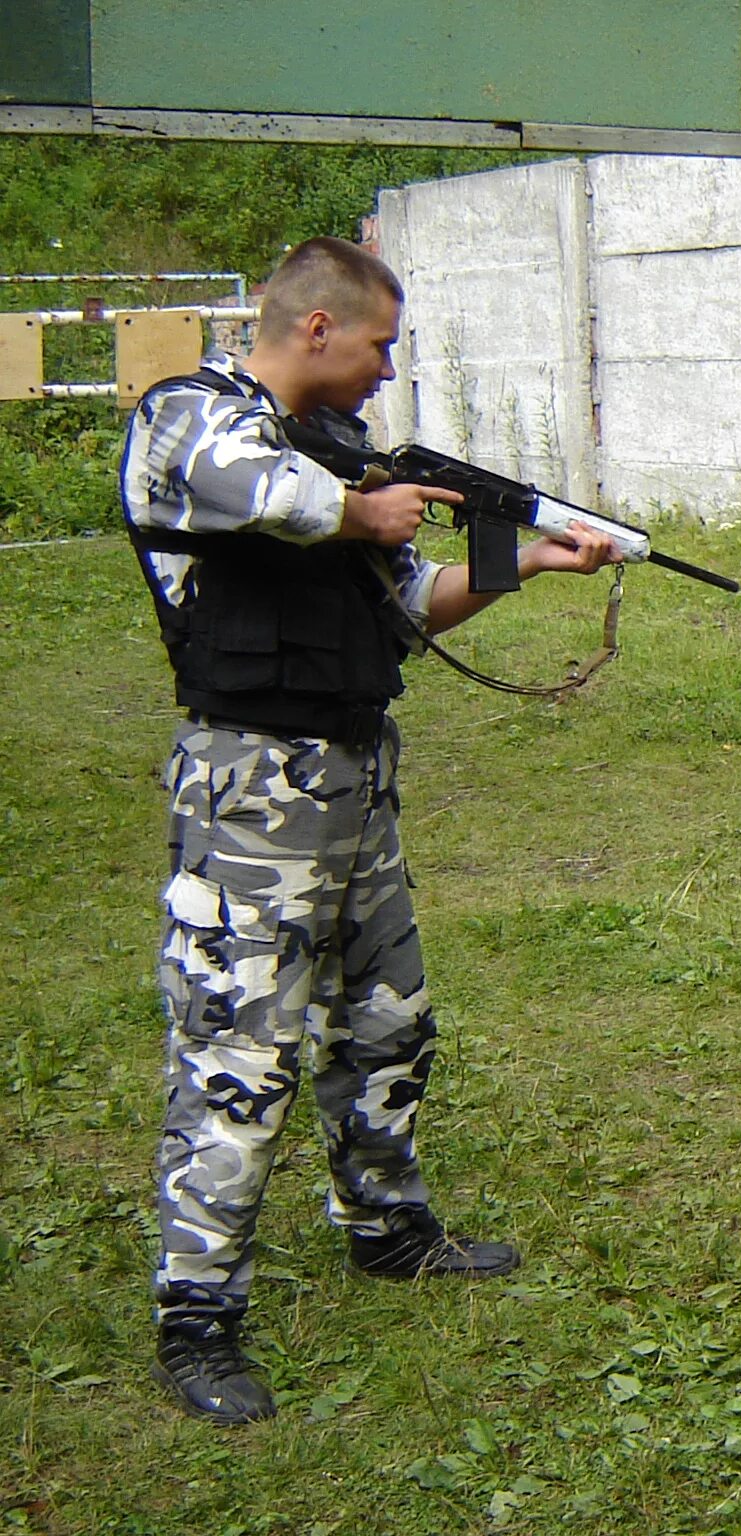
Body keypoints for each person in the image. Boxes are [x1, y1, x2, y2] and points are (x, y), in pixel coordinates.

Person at [120, 236, 619, 1425]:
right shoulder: (189, 419)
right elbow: (278, 500)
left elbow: (408, 607)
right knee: (241, 1059)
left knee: (388, 1026)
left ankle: (387, 1226)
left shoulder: (336, 466)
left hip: (354, 787)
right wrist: (368, 507)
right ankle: (197, 1319)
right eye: (380, 344)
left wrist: (523, 563)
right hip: (248, 797)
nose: (387, 370)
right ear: (314, 330)